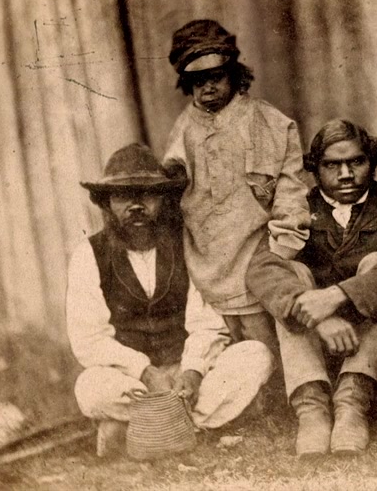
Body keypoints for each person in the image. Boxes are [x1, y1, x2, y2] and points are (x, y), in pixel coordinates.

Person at [68, 143, 274, 456]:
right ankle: (191, 425)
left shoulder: (188, 246)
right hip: (132, 379)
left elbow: (207, 323)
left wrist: (192, 372)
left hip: (187, 376)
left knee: (255, 355)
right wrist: (144, 371)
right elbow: (90, 340)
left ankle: (138, 428)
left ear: (163, 199)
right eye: (123, 197)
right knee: (90, 388)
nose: (136, 207)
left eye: (147, 195)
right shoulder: (88, 255)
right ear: (107, 203)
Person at [247, 120, 377, 457]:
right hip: (316, 342)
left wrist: (337, 296)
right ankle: (311, 409)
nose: (345, 174)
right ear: (315, 169)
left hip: (368, 341)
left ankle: (351, 404)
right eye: (332, 165)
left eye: (356, 162)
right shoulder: (301, 207)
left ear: (372, 162)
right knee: (292, 271)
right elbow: (261, 268)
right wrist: (318, 315)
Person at [161, 19, 311, 368]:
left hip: (255, 250)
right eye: (198, 81)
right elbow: (173, 180)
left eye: (216, 77)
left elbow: (290, 190)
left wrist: (282, 248)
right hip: (204, 255)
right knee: (223, 349)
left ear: (234, 74)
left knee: (268, 344)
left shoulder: (268, 122)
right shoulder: (185, 127)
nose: (208, 88)